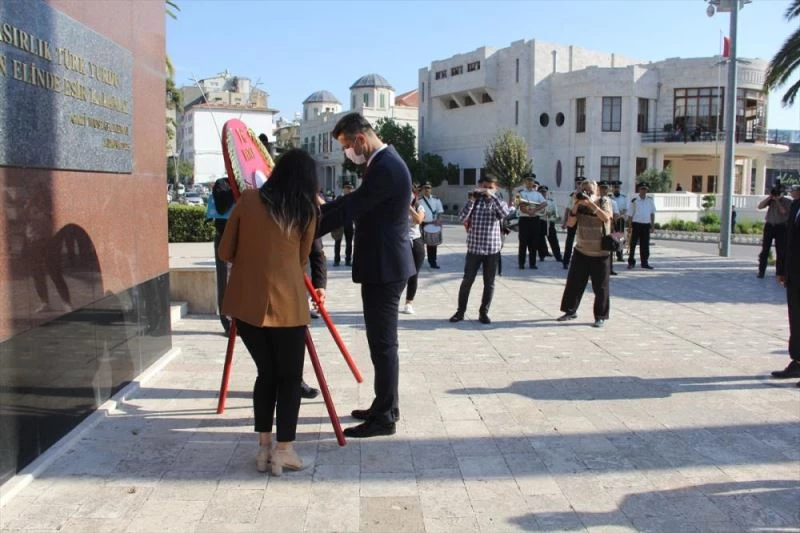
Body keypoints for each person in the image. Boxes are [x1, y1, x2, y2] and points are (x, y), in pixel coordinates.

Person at [218, 149, 318, 475]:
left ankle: (263, 449)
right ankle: (284, 451)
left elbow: (225, 251)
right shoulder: (306, 210)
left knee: (266, 375)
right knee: (289, 380)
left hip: (245, 304)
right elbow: (302, 258)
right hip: (288, 304)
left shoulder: (247, 200)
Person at [319, 112, 415, 438]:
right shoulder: (381, 162)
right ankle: (386, 405)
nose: (348, 152)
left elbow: (354, 206)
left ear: (360, 139)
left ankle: (384, 417)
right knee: (381, 344)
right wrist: (319, 211)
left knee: (383, 345)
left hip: (385, 267)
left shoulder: (386, 166)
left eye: (347, 145)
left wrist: (309, 225)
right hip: (383, 264)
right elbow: (353, 202)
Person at [450, 173, 510, 324]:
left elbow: (504, 214)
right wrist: (472, 200)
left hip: (492, 249)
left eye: (490, 188)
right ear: (479, 186)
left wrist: (492, 197)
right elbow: (462, 218)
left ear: (495, 189)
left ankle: (484, 312)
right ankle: (460, 311)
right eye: (484, 187)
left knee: (489, 283)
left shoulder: (499, 202)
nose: (486, 190)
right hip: (474, 249)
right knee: (467, 281)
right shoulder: (474, 201)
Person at [557, 180, 614, 327]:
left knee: (600, 287)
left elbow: (606, 217)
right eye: (585, 190)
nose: (587, 193)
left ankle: (600, 316)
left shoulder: (603, 201)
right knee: (574, 284)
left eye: (590, 191)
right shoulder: (579, 204)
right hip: (581, 250)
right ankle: (570, 311)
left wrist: (591, 204)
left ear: (597, 191)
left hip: (600, 253)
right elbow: (570, 224)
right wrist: (576, 204)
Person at [772, 184, 800, 385]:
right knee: (796, 320)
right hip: (795, 275)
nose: (793, 191)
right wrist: (781, 270)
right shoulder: (796, 208)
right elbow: (787, 242)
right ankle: (797, 362)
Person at [206, 176, 235, 335]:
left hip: (245, 238)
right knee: (225, 279)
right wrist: (237, 191)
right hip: (225, 236)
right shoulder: (222, 184)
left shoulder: (251, 184)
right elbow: (223, 207)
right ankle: (228, 322)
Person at [756, 185, 792, 278]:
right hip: (769, 226)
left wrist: (777, 201)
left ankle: (779, 273)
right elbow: (760, 206)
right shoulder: (770, 200)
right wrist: (769, 197)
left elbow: (783, 212)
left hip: (781, 227)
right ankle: (761, 271)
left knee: (780, 251)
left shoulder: (787, 201)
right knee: (765, 250)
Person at [402, 193, 426, 314]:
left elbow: (418, 220)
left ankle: (409, 302)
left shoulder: (418, 206)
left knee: (414, 273)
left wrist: (409, 207)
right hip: (400, 242)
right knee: (399, 274)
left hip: (416, 241)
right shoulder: (396, 205)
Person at [516, 175, 546, 269]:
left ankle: (532, 263)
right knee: (523, 242)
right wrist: (528, 212)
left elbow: (544, 203)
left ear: (533, 183)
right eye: (527, 181)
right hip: (524, 219)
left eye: (531, 181)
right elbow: (519, 204)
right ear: (525, 182)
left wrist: (535, 210)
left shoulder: (537, 194)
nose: (529, 183)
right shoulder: (520, 193)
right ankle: (521, 263)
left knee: (534, 242)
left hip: (535, 220)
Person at [627, 183, 656, 269]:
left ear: (647, 190)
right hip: (636, 224)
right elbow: (630, 215)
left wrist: (652, 225)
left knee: (645, 244)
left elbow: (652, 213)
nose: (643, 191)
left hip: (646, 225)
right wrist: (629, 227)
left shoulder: (650, 200)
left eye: (645, 189)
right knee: (633, 244)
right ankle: (631, 262)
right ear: (639, 190)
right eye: (642, 189)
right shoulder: (634, 201)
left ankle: (644, 262)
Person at [419, 182, 444, 269]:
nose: (427, 189)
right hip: (423, 224)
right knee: (420, 244)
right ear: (423, 189)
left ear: (431, 189)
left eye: (428, 188)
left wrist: (438, 220)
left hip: (433, 223)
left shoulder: (436, 199)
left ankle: (432, 262)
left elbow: (440, 211)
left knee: (432, 245)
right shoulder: (420, 200)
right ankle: (419, 261)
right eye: (425, 188)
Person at [562, 177, 585, 269]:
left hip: (583, 219)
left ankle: (582, 260)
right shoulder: (572, 195)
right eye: (578, 183)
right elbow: (568, 208)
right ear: (575, 184)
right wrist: (565, 221)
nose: (580, 185)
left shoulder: (587, 194)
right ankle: (566, 261)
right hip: (573, 218)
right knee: (570, 240)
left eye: (581, 183)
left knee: (583, 240)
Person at [598, 181, 620, 276]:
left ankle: (609, 268)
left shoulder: (612, 202)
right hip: (596, 229)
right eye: (601, 188)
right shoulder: (594, 200)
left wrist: (612, 220)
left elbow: (616, 215)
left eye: (605, 188)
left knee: (609, 249)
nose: (603, 190)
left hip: (608, 228)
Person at [332, 182, 355, 266]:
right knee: (338, 242)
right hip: (340, 224)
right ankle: (336, 260)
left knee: (349, 243)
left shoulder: (354, 199)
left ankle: (348, 260)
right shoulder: (339, 198)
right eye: (347, 188)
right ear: (343, 189)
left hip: (349, 223)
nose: (349, 190)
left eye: (350, 188)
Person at [538, 186, 563, 262]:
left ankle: (558, 256)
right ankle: (541, 255)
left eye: (544, 192)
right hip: (540, 222)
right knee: (540, 240)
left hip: (549, 222)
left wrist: (553, 216)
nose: (543, 193)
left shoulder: (551, 202)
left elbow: (555, 214)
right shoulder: (536, 202)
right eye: (541, 192)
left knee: (554, 240)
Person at [611, 180, 627, 262]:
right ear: (612, 188)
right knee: (612, 236)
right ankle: (611, 252)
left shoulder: (624, 198)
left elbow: (625, 209)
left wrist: (619, 214)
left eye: (617, 187)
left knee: (620, 237)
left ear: (620, 188)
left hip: (620, 219)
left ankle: (619, 255)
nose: (616, 189)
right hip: (612, 220)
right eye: (614, 187)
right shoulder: (609, 197)